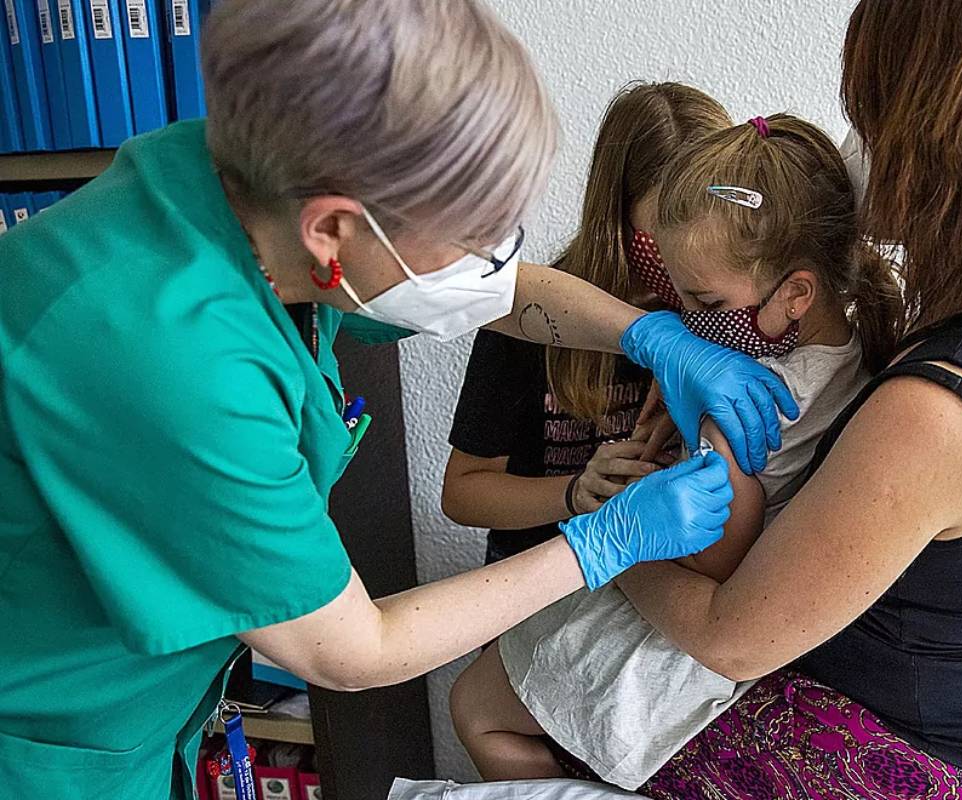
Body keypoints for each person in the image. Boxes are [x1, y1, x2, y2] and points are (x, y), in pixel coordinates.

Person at [0, 2, 800, 797]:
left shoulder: (247, 190)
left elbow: (504, 293)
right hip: (45, 735)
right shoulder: (173, 361)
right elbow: (351, 650)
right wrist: (604, 541)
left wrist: (652, 338)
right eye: (471, 235)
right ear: (332, 232)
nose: (493, 261)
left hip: (138, 716)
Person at [535, 3, 962, 799]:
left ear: (940, 144)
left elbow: (733, 639)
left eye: (868, 114)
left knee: (511, 694)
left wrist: (607, 548)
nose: (854, 147)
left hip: (926, 755)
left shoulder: (937, 410)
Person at [451, 113, 902, 788]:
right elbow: (462, 489)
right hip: (700, 623)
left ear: (795, 292)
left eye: (702, 298)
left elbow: (721, 551)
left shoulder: (742, 404)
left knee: (475, 708)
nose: (688, 318)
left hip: (676, 631)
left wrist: (633, 512)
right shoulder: (863, 345)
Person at [442, 82, 732, 566]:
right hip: (539, 571)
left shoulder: (727, 313)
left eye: (705, 215)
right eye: (668, 219)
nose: (688, 242)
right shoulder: (530, 321)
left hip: (659, 579)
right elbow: (463, 494)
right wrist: (577, 493)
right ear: (618, 207)